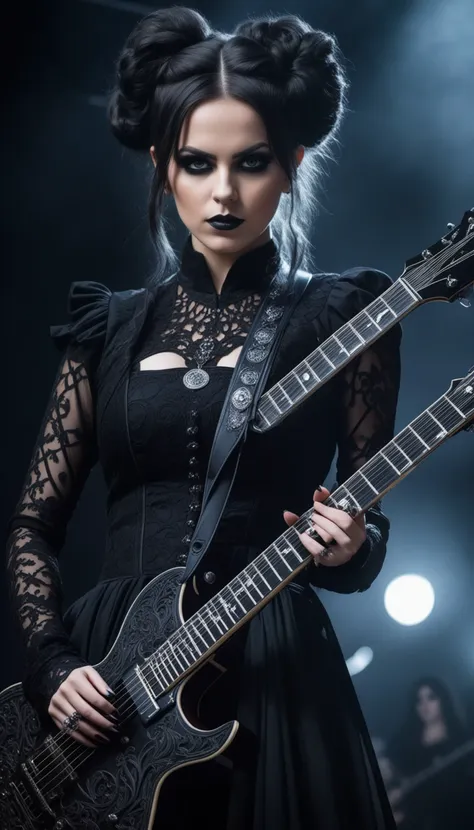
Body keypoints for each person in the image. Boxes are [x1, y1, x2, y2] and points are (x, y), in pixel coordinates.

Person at [5, 8, 401, 829]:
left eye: (251, 164)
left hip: (274, 670)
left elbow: (364, 534)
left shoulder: (345, 316)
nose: (223, 193)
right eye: (197, 163)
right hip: (109, 676)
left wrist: (354, 545)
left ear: (292, 166)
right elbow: (33, 527)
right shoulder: (106, 327)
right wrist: (51, 666)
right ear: (162, 166)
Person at [388, 677, 474, 829]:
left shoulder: (463, 738)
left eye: (431, 698)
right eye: (419, 700)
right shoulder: (403, 744)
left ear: (443, 700)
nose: (424, 705)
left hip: (460, 815)